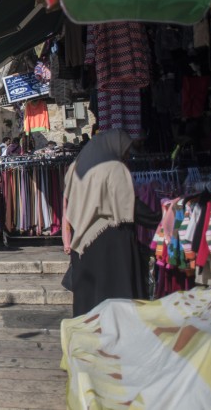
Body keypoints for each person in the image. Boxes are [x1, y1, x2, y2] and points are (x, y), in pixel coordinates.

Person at [62, 129, 160, 317]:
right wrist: (160, 218)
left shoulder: (75, 167)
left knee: (90, 299)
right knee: (117, 296)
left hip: (82, 242)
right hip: (112, 241)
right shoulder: (114, 167)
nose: (126, 156)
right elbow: (130, 205)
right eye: (125, 150)